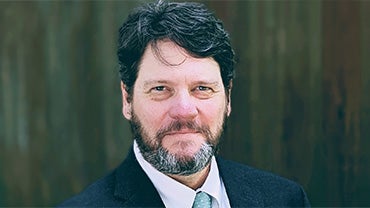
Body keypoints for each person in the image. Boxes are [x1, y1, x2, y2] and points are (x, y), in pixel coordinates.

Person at [59, 1, 310, 207]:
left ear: (228, 97)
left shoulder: (285, 200)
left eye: (202, 88)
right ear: (127, 98)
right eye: (160, 89)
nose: (184, 111)